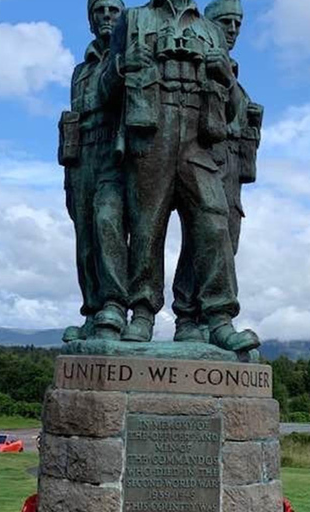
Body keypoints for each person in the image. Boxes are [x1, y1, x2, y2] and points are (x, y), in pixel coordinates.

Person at [102, 0, 260, 352]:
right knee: (146, 225)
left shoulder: (211, 31)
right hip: (150, 133)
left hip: (198, 139)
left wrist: (227, 77)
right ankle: (142, 313)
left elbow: (236, 109)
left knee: (214, 221)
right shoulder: (134, 19)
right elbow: (103, 92)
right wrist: (120, 68)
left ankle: (216, 317)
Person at [172, 0, 264, 343]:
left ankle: (200, 319)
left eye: (238, 23)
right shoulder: (198, 63)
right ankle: (189, 316)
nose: (233, 29)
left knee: (221, 243)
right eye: (226, 21)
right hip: (196, 159)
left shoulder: (232, 73)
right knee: (205, 234)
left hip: (231, 171)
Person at [59, 0, 129, 342]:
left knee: (107, 222)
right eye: (99, 10)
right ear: (90, 20)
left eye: (113, 10)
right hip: (80, 156)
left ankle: (115, 307)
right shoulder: (80, 70)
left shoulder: (128, 57)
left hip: (113, 154)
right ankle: (92, 314)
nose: (106, 16)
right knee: (85, 240)